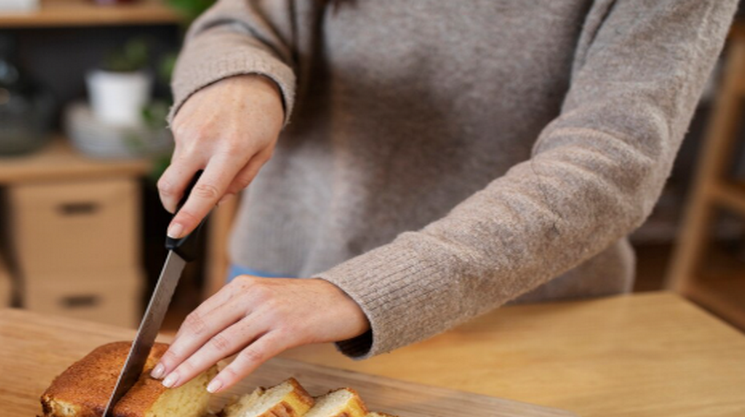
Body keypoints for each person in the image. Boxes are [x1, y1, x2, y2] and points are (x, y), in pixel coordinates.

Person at [148, 0, 736, 394]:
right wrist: (237, 76)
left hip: (529, 313)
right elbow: (243, 21)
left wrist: (366, 289)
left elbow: (612, 159)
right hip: (284, 277)